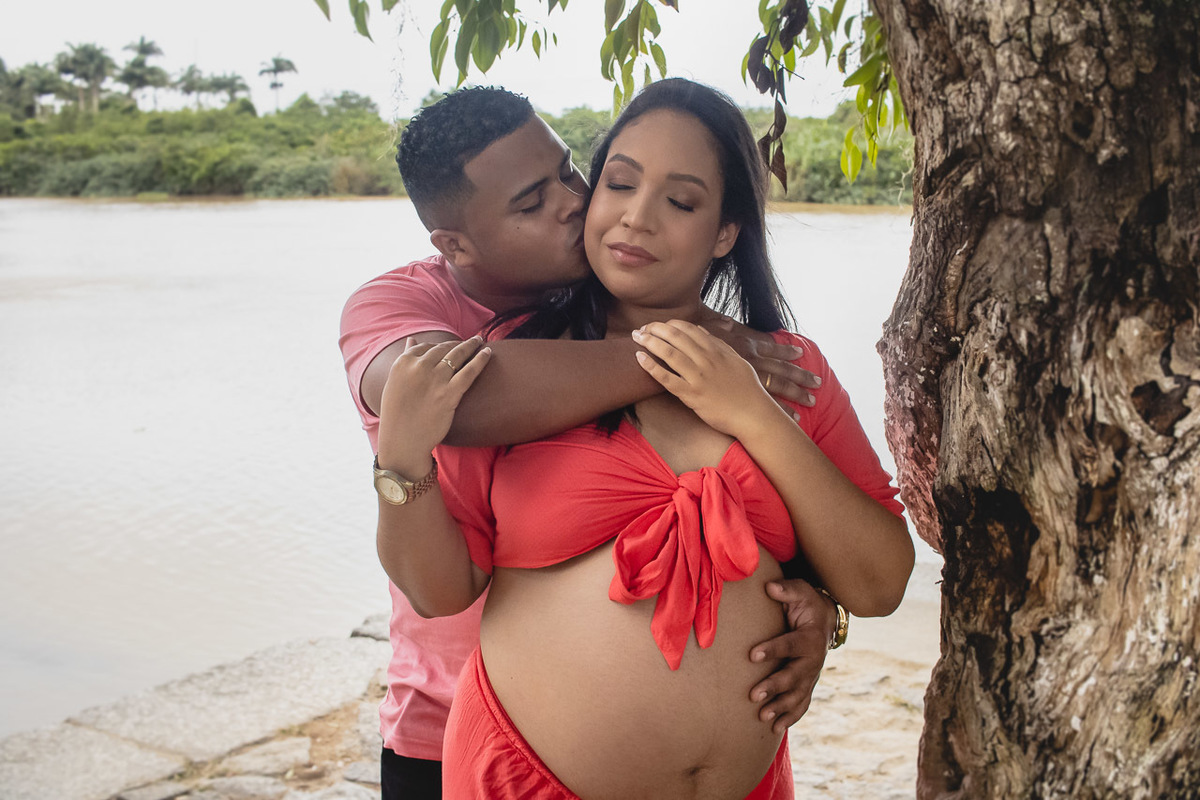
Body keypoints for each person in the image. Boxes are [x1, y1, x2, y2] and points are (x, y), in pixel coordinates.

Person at [374, 79, 914, 799]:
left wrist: (751, 413)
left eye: (680, 201)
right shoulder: (514, 374)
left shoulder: (784, 368)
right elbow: (439, 591)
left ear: (724, 233)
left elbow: (879, 584)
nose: (636, 217)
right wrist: (401, 462)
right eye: (620, 184)